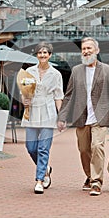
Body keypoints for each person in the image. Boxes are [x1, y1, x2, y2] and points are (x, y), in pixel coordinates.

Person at [57, 37, 109, 196]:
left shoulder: (107, 70)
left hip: (100, 118)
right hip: (81, 117)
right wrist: (62, 117)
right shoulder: (76, 71)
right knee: (83, 150)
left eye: (89, 48)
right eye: (84, 49)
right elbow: (68, 96)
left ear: (97, 50)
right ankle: (89, 176)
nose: (86, 51)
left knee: (97, 147)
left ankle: (96, 182)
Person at [21, 42, 64, 194]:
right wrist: (24, 100)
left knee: (43, 148)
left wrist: (61, 117)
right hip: (32, 112)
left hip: (48, 112)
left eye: (45, 53)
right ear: (36, 55)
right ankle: (45, 168)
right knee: (31, 147)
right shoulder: (29, 72)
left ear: (50, 55)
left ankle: (39, 180)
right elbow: (24, 93)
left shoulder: (56, 74)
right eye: (40, 53)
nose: (43, 55)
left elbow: (58, 96)